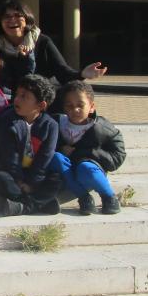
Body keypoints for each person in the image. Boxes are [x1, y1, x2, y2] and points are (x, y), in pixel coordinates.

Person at [0, 74, 61, 216]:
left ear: (41, 105)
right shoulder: (8, 120)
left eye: (24, 97)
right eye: (17, 94)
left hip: (33, 173)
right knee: (0, 179)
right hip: (9, 170)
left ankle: (24, 206)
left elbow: (45, 156)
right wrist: (19, 181)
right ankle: (38, 203)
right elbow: (9, 155)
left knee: (57, 178)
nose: (17, 99)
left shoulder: (51, 125)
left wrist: (31, 183)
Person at [0, 0, 107, 94]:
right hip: (2, 100)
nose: (12, 20)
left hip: (37, 100)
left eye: (17, 15)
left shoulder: (43, 42)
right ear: (0, 22)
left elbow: (62, 72)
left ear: (26, 19)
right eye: (6, 17)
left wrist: (82, 74)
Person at [50, 80, 126, 215]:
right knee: (56, 158)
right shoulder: (55, 123)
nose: (75, 110)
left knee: (86, 168)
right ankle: (84, 198)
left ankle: (109, 197)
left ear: (91, 107)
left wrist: (91, 153)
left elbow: (118, 155)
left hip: (89, 170)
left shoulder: (101, 128)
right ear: (64, 107)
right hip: (66, 174)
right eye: (69, 106)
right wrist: (60, 149)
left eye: (80, 105)